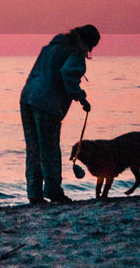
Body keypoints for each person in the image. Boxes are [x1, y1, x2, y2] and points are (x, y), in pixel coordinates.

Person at [20, 24, 100, 206]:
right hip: (47, 102)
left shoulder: (55, 45)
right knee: (49, 149)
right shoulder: (76, 53)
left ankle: (34, 193)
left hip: (27, 96)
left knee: (33, 149)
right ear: (88, 43)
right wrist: (81, 98)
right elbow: (68, 75)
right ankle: (54, 192)